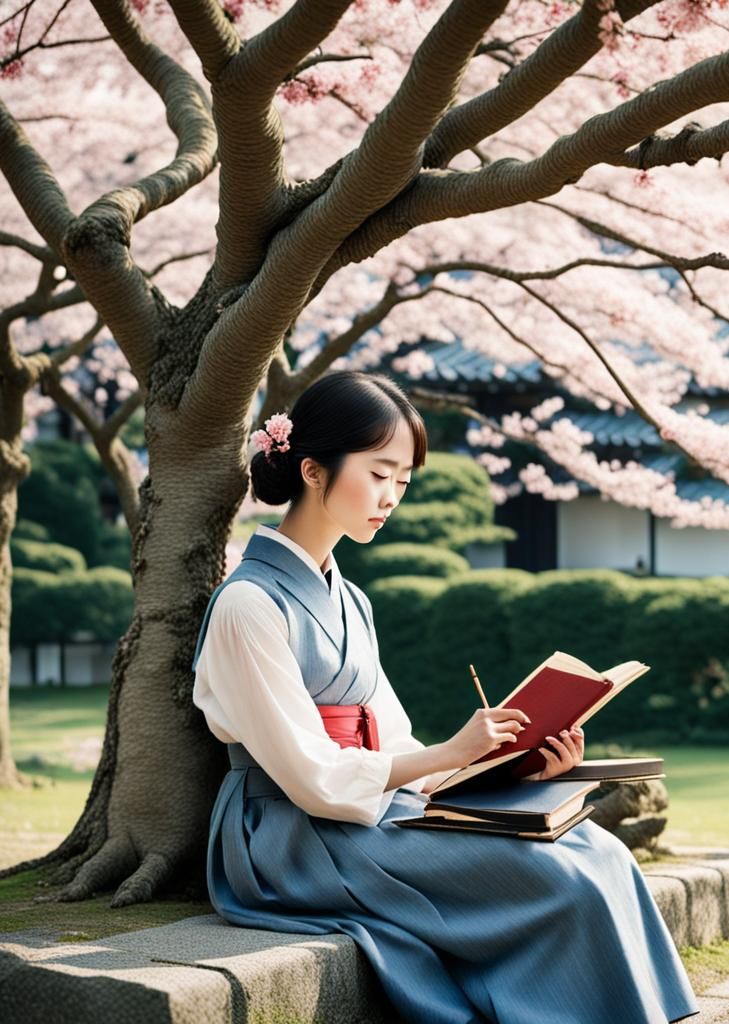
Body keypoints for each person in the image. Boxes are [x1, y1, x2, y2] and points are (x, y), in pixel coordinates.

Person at [191, 369, 700, 1024]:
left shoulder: (351, 600)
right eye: (378, 474)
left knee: (600, 853)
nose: (391, 496)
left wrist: (510, 762)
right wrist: (446, 753)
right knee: (556, 880)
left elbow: (395, 742)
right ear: (313, 470)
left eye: (402, 482)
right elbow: (313, 778)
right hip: (292, 835)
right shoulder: (248, 605)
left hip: (368, 807)